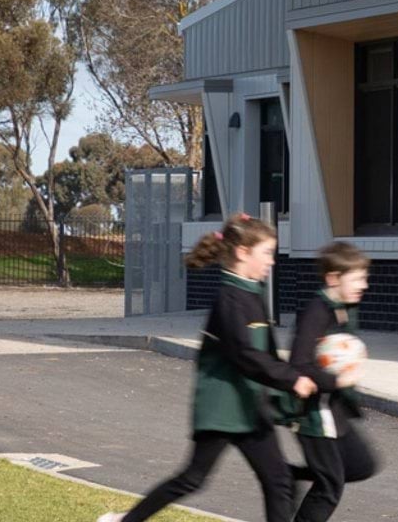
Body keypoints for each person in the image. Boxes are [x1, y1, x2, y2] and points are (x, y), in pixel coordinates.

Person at [99, 214, 317, 522]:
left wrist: (286, 389)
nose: (273, 261)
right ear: (243, 252)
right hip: (222, 412)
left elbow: (265, 353)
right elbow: (246, 355)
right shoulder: (230, 299)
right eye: (267, 253)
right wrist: (292, 380)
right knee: (193, 478)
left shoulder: (250, 293)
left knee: (279, 480)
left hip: (250, 408)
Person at [285, 241, 378, 522]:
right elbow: (298, 364)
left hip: (336, 410)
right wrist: (336, 380)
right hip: (315, 414)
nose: (364, 285)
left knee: (362, 465)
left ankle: (288, 474)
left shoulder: (344, 308)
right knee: (329, 487)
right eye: (358, 278)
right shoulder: (317, 312)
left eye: (365, 277)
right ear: (333, 278)